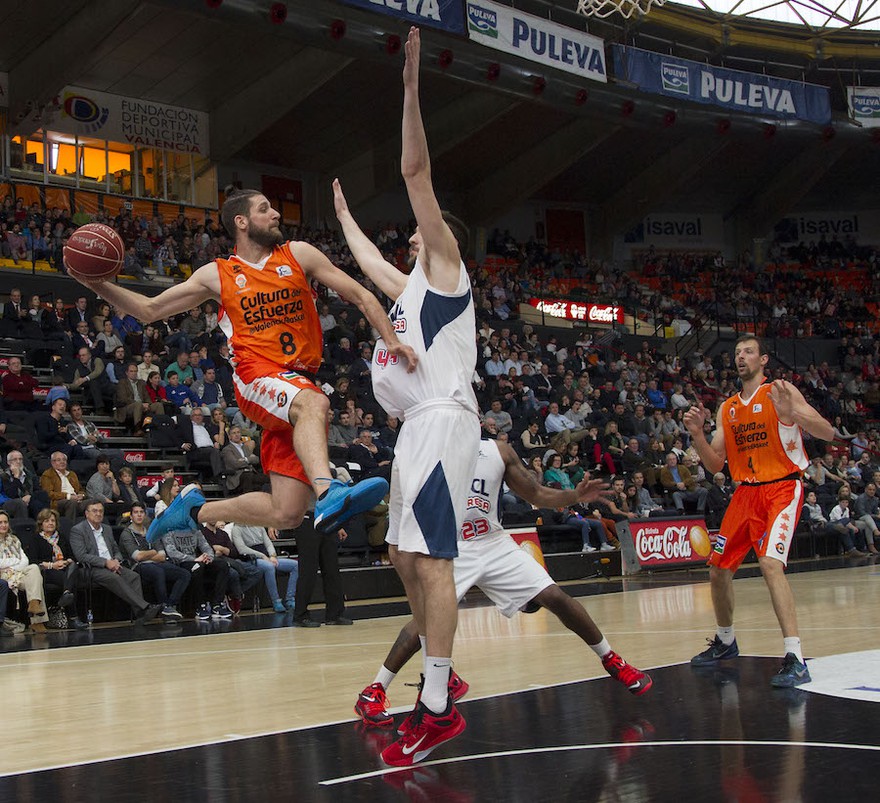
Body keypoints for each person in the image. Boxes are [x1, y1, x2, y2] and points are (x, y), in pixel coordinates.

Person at [74, 205, 413, 549]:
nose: (276, 213)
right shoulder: (218, 274)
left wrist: (391, 338)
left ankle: (193, 510)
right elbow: (149, 310)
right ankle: (329, 491)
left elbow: (360, 294)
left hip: (297, 383)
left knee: (288, 513)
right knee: (316, 403)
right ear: (242, 222)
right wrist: (94, 284)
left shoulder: (298, 254)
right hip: (257, 374)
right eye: (265, 209)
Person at [333, 27, 480, 766]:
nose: (412, 242)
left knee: (434, 562)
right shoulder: (414, 287)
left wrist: (411, 89)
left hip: (444, 420)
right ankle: (438, 679)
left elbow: (417, 172)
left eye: (420, 235)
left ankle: (437, 698)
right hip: (414, 430)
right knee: (399, 552)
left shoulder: (447, 267)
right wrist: (344, 221)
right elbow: (368, 265)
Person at [354, 439, 652, 733]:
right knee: (426, 622)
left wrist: (574, 494)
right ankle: (374, 690)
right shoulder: (427, 447)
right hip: (451, 546)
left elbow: (536, 492)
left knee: (554, 595)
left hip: (493, 541)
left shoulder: (497, 451)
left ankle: (612, 660)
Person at [684, 336, 833, 688]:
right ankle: (725, 641)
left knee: (769, 563)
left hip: (782, 487)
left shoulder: (781, 391)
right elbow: (715, 463)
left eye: (748, 352)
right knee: (718, 570)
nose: (740, 357)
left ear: (763, 359)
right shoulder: (728, 407)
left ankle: (795, 657)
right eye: (736, 353)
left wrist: (793, 413)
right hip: (745, 494)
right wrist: (697, 435)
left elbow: (826, 431)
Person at [69, 501, 164, 625]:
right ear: (87, 514)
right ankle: (145, 608)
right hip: (91, 568)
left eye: (101, 511)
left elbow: (116, 550)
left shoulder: (107, 529)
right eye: (94, 511)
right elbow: (81, 556)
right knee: (114, 577)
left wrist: (116, 561)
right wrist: (106, 563)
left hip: (112, 565)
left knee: (133, 576)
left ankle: (139, 615)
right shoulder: (78, 530)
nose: (98, 514)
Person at [118, 504, 189, 621]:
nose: (139, 515)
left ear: (145, 515)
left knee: (184, 574)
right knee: (158, 571)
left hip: (157, 563)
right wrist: (152, 552)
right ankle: (164, 605)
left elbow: (162, 555)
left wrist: (148, 554)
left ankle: (169, 605)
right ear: (131, 516)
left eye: (141, 512)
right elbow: (137, 557)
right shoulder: (126, 533)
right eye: (136, 512)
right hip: (137, 566)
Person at [31, 508, 88, 630]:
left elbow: (72, 556)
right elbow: (33, 561)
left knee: (73, 567)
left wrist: (66, 561)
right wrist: (52, 565)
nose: (50, 523)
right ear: (41, 524)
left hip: (64, 568)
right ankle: (73, 617)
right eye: (47, 521)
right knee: (70, 580)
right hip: (47, 571)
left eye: (53, 521)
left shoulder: (61, 537)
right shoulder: (36, 539)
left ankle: (66, 593)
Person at [230, 523, 299, 613]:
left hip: (267, 557)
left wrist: (272, 555)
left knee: (295, 565)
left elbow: (268, 543)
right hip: (252, 559)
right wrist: (262, 556)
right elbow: (241, 548)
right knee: (269, 567)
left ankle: (290, 598)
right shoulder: (237, 529)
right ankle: (276, 601)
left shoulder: (259, 525)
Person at [0, 511, 49, 632]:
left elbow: (25, 561)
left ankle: (34, 604)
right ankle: (37, 621)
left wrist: (11, 564)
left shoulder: (14, 539)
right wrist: (15, 561)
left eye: (5, 522)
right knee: (36, 583)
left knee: (34, 568)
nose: (3, 525)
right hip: (3, 577)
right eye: (0, 522)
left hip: (18, 574)